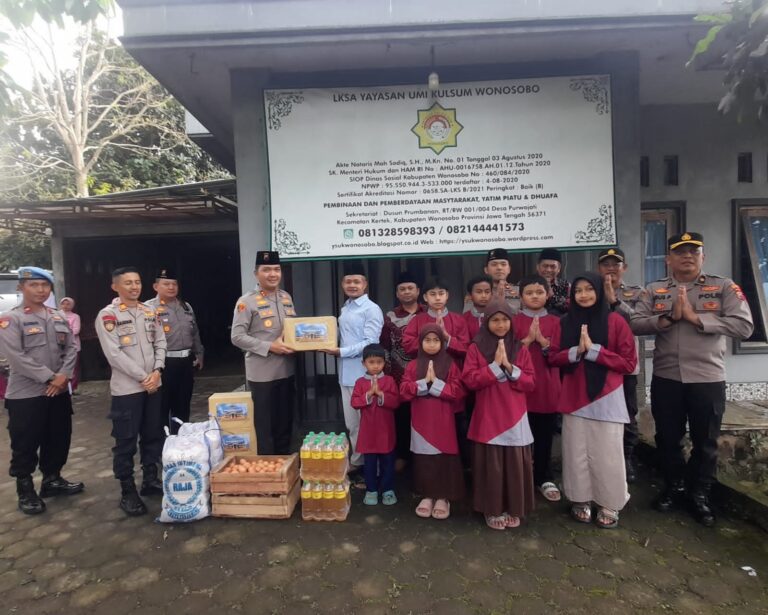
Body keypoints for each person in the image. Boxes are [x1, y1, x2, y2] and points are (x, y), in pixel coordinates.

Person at [631, 232, 753, 527]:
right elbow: (634, 323)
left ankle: (700, 495)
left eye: (693, 251)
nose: (687, 256)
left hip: (707, 378)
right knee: (667, 438)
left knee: (705, 441)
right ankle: (674, 487)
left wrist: (697, 318)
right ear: (668, 259)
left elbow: (744, 326)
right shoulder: (655, 290)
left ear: (703, 257)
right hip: (667, 377)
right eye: (680, 251)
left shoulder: (723, 287)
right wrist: (670, 318)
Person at [550, 272, 637, 529]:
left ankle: (610, 502)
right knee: (576, 452)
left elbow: (628, 362)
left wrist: (595, 352)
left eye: (589, 289)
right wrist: (576, 351)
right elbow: (553, 357)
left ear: (599, 292)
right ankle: (580, 498)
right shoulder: (565, 323)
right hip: (573, 395)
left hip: (607, 396)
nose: (584, 295)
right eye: (578, 291)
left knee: (607, 453)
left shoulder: (616, 321)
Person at [0, 267, 83, 515]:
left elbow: (71, 350)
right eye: (33, 285)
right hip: (26, 394)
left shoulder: (57, 317)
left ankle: (52, 479)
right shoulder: (10, 319)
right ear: (21, 288)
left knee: (58, 437)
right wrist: (50, 377)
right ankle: (25, 490)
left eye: (45, 286)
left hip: (58, 392)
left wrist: (63, 377)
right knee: (25, 442)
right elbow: (16, 357)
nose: (40, 290)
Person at [95, 266, 166, 516]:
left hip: (153, 386)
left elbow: (160, 342)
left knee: (152, 435)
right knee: (125, 442)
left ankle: (150, 480)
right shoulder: (108, 316)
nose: (134, 287)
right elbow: (114, 354)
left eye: (137, 282)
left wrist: (157, 370)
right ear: (115, 286)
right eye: (128, 283)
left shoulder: (150, 311)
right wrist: (143, 376)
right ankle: (127, 491)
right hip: (127, 391)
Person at [463, 299, 536, 530]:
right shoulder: (476, 347)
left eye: (505, 320)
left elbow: (530, 382)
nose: (501, 324)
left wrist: (510, 368)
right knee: (491, 463)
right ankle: (492, 508)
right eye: (495, 320)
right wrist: (494, 367)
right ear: (486, 322)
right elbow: (469, 380)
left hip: (514, 413)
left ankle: (514, 506)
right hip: (489, 413)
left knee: (514, 462)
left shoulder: (520, 348)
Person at [231, 251, 297, 456]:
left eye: (276, 269)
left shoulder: (286, 297)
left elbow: (293, 329)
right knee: (265, 427)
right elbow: (237, 336)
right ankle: (270, 472)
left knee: (285, 424)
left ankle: (286, 468)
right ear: (256, 273)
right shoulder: (246, 301)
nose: (272, 274)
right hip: (262, 375)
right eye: (266, 269)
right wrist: (270, 347)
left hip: (286, 371)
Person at [400, 325, 465, 520]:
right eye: (427, 340)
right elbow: (403, 390)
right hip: (421, 419)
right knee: (424, 457)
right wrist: (422, 384)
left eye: (435, 340)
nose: (431, 344)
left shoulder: (450, 364)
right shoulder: (412, 365)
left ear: (442, 342)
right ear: (420, 343)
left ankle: (443, 497)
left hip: (443, 419)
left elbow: (458, 391)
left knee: (443, 456)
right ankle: (427, 494)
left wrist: (435, 383)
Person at [324, 260, 383, 473]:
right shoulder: (346, 307)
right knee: (353, 423)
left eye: (356, 281)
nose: (352, 285)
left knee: (367, 423)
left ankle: (373, 466)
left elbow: (371, 342)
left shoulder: (371, 309)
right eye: (348, 282)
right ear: (342, 284)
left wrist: (341, 351)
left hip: (364, 374)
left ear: (365, 284)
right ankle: (358, 462)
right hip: (345, 373)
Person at [513, 275, 562, 502]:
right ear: (521, 297)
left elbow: (561, 356)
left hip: (547, 385)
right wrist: (526, 342)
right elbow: (506, 355)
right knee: (522, 435)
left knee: (544, 434)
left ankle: (544, 476)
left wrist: (543, 343)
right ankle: (521, 475)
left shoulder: (556, 322)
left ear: (548, 294)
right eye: (529, 292)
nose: (534, 296)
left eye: (539, 292)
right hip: (519, 388)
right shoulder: (512, 321)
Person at [596, 248, 644, 483]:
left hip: (625, 366)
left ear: (624, 268)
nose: (611, 268)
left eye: (616, 264)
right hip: (597, 364)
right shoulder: (590, 290)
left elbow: (640, 323)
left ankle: (627, 459)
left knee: (627, 413)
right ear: (599, 268)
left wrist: (614, 301)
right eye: (606, 264)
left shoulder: (637, 293)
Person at [146, 268, 204, 434]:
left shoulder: (185, 306)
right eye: (166, 284)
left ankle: (181, 443)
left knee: (183, 405)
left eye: (174, 284)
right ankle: (163, 446)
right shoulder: (148, 308)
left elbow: (195, 332)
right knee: (162, 407)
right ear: (156, 286)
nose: (171, 287)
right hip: (163, 363)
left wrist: (199, 353)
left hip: (185, 362)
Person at [380, 270, 425, 472]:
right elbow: (385, 346)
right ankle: (403, 455)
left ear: (418, 291)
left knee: (425, 414)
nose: (407, 292)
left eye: (410, 288)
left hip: (425, 372)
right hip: (398, 375)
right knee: (402, 417)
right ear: (397, 294)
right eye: (402, 289)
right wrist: (388, 375)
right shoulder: (390, 317)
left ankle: (423, 456)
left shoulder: (427, 313)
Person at [351, 344, 400, 506]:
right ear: (363, 363)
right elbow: (355, 402)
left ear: (384, 363)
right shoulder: (359, 383)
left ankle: (387, 489)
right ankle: (371, 490)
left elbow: (395, 402)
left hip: (386, 430)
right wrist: (368, 395)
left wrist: (381, 395)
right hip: (368, 431)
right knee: (369, 464)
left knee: (388, 462)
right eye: (371, 362)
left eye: (379, 362)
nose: (375, 366)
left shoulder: (389, 380)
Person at [403, 277, 470, 363]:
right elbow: (408, 346)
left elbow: (465, 348)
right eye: (432, 294)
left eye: (441, 293)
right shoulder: (416, 320)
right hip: (423, 368)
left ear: (447, 296)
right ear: (425, 297)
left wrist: (446, 337)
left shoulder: (459, 320)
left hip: (452, 370)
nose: (437, 298)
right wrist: (428, 337)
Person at [465, 248, 520, 314]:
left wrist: (502, 303)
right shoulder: (477, 291)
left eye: (503, 264)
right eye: (494, 264)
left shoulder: (519, 291)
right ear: (486, 270)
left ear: (509, 269)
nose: (499, 268)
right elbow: (468, 317)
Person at [58, 297, 81, 393]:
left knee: (74, 367)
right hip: (59, 346)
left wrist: (63, 333)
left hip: (73, 345)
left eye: (68, 304)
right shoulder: (56, 315)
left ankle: (73, 387)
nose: (65, 306)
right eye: (64, 304)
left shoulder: (75, 316)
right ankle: (63, 386)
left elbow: (76, 330)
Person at [537, 248, 569, 315]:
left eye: (553, 267)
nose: (548, 270)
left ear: (559, 269)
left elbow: (569, 307)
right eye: (545, 266)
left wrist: (552, 297)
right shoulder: (527, 283)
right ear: (537, 267)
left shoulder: (565, 285)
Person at [462, 275, 493, 340]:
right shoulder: (463, 319)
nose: (484, 296)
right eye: (479, 292)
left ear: (492, 294)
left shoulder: (497, 316)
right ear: (470, 295)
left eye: (487, 292)